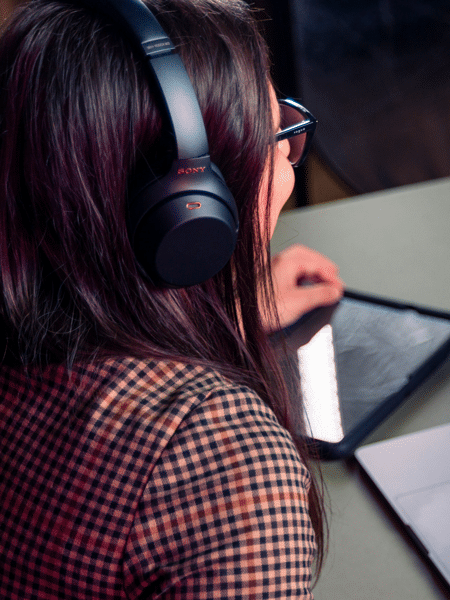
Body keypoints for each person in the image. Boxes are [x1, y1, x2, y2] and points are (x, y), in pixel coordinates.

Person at [0, 0, 342, 597]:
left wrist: (221, 311)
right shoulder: (220, 459)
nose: (288, 157)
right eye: (274, 138)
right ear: (193, 219)